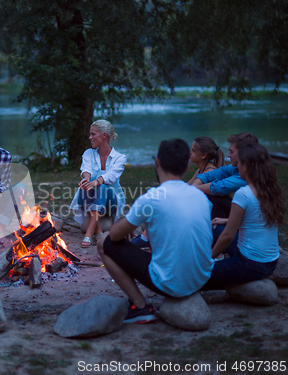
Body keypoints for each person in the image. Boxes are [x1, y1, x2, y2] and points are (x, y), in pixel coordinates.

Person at [97, 139, 214, 323]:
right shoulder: (200, 196)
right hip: (202, 278)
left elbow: (114, 236)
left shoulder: (152, 198)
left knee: (103, 241)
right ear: (185, 168)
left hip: (169, 283)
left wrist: (122, 226)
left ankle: (140, 306)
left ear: (157, 162)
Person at [202, 143, 285, 289]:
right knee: (215, 227)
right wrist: (226, 220)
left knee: (195, 274)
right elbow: (257, 221)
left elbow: (228, 236)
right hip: (271, 263)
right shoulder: (270, 189)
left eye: (239, 163)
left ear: (245, 166)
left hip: (250, 263)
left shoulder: (243, 194)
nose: (237, 167)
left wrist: (208, 259)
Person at [133, 136, 226, 248]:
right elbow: (185, 186)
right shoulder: (201, 170)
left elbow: (188, 193)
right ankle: (146, 238)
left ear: (203, 155)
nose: (189, 152)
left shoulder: (210, 172)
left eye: (193, 150)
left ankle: (145, 239)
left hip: (208, 219)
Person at [69, 120, 126, 248]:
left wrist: (95, 182)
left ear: (104, 135)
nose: (90, 138)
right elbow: (86, 170)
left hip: (110, 203)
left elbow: (110, 177)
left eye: (93, 134)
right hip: (89, 199)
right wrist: (86, 179)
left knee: (103, 185)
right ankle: (98, 229)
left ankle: (89, 232)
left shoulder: (120, 158)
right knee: (86, 184)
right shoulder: (88, 153)